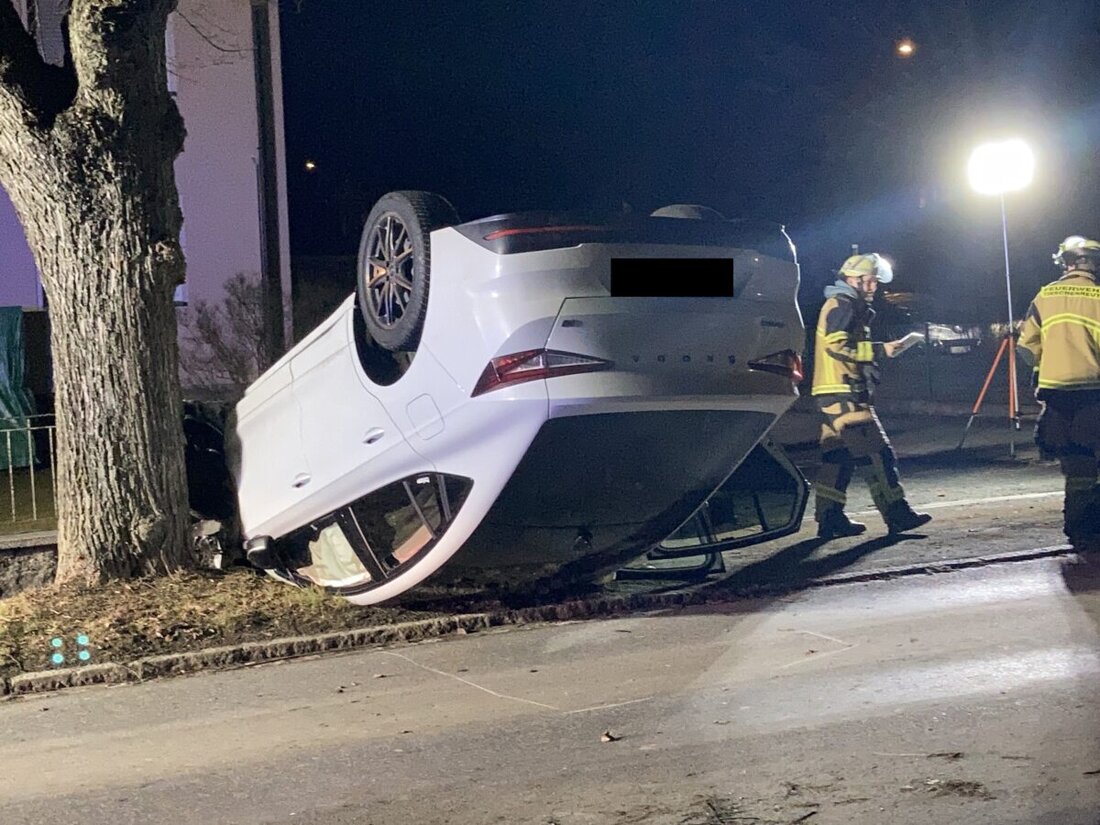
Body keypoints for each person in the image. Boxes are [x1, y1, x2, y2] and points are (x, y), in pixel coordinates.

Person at [811, 252, 932, 538]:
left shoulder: (844, 304)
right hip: (844, 392)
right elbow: (837, 346)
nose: (873, 287)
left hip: (832, 392)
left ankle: (830, 519)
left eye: (875, 282)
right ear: (852, 279)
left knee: (837, 458)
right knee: (878, 454)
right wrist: (881, 350)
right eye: (869, 281)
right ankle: (897, 514)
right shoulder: (842, 304)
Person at [1018, 236, 1100, 550]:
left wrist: (1045, 368)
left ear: (1064, 263)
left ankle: (1077, 526)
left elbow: (1025, 347)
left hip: (1056, 395)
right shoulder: (1097, 297)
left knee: (1076, 463)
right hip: (1092, 390)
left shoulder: (1045, 296)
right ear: (1091, 263)